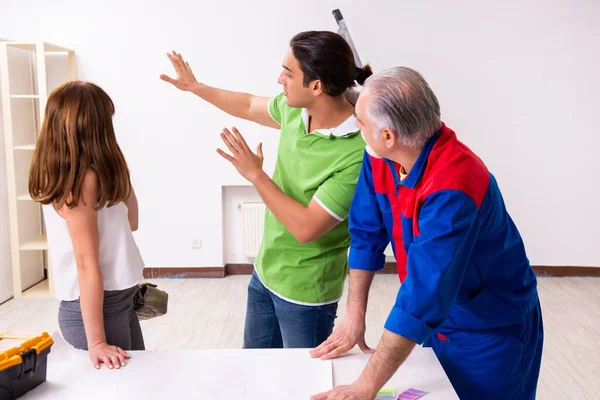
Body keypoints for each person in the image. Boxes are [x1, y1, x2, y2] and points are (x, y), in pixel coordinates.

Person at [311, 67, 544, 400]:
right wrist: (354, 315)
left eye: (360, 121)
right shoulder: (381, 155)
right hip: (439, 323)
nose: (356, 126)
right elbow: (366, 234)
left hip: (490, 329)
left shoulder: (454, 185)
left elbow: (422, 295)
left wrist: (365, 387)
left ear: (388, 135)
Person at [161, 31, 372, 348]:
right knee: (255, 368)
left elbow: (306, 227)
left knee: (302, 382)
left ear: (316, 86)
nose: (279, 80)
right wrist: (195, 87)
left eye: (288, 74)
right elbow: (247, 104)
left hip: (306, 290)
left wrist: (255, 175)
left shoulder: (357, 153)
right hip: (266, 270)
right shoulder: (294, 110)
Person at [29, 81, 145, 370]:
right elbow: (85, 262)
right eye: (105, 120)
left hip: (120, 300)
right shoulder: (78, 181)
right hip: (98, 309)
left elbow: (132, 223)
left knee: (140, 383)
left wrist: (121, 173)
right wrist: (97, 342)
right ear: (91, 127)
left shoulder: (94, 174)